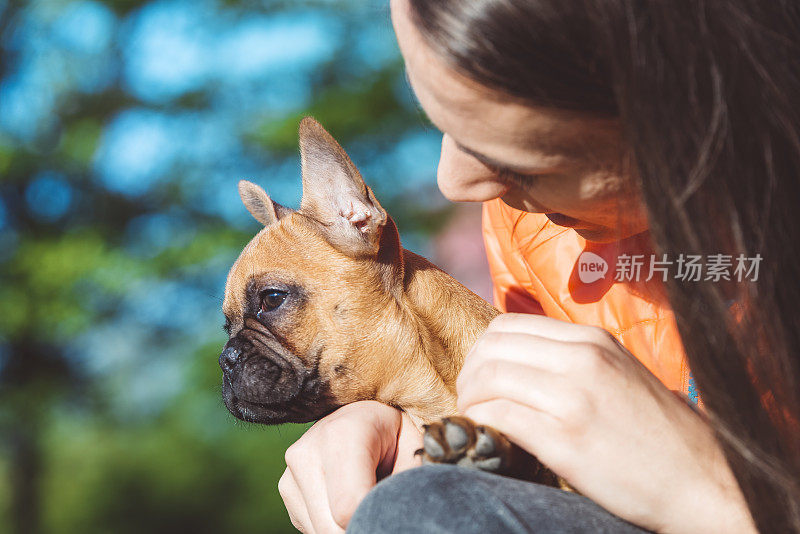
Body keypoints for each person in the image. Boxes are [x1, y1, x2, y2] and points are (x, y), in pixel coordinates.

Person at [277, 1, 800, 532]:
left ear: (692, 108)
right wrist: (403, 418)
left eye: (516, 163)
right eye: (444, 123)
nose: (453, 184)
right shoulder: (531, 227)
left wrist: (709, 494)